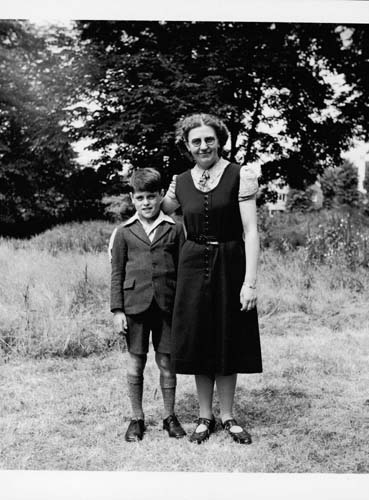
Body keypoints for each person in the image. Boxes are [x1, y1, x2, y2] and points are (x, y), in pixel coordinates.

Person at [161, 113, 262, 445]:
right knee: (200, 339)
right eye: (196, 141)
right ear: (187, 147)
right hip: (191, 267)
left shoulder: (239, 176)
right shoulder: (180, 182)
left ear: (220, 140)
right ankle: (205, 416)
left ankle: (228, 416)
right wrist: (125, 230)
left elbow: (250, 232)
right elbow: (155, 209)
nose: (203, 146)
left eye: (208, 139)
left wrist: (250, 282)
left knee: (227, 337)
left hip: (230, 265)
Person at [110, 167, 186, 442]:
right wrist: (118, 310)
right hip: (134, 308)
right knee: (136, 362)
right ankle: (136, 418)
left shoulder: (175, 228)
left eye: (151, 197)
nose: (146, 203)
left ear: (160, 195)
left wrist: (183, 308)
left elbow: (183, 270)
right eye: (140, 197)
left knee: (166, 361)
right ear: (132, 198)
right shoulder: (124, 232)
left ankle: (169, 416)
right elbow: (117, 272)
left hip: (168, 306)